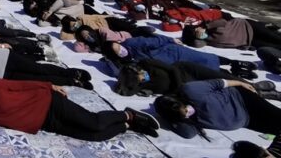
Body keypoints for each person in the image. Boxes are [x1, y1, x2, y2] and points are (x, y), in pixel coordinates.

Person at [0, 78, 160, 140]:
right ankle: (126, 125)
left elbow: (24, 84)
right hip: (47, 124)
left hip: (50, 103)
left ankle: (129, 114)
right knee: (94, 136)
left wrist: (50, 86)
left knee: (93, 123)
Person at [154, 79, 281, 139]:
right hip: (247, 121)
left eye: (185, 109)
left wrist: (241, 83)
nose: (188, 113)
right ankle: (264, 92)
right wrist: (174, 120)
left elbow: (220, 83)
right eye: (185, 115)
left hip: (243, 101)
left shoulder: (191, 90)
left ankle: (259, 90)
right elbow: (188, 134)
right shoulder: (184, 120)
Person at [102, 36, 257, 79]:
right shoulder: (124, 61)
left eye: (119, 47)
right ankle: (236, 73)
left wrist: (170, 40)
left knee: (205, 58)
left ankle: (236, 62)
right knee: (203, 70)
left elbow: (155, 41)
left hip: (172, 52)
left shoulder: (132, 43)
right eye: (117, 51)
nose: (121, 51)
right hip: (173, 64)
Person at [113, 58, 278, 98]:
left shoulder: (146, 63)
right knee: (222, 91)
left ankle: (253, 85)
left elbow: (172, 70)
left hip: (187, 71)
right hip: (188, 86)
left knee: (221, 77)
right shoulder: (141, 86)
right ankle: (262, 94)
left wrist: (178, 86)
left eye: (140, 76)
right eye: (140, 81)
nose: (143, 78)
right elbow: (128, 91)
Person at [182, 18, 281, 50]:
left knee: (275, 38)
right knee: (273, 47)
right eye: (195, 33)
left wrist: (206, 27)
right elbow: (197, 44)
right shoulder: (207, 40)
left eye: (196, 29)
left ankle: (270, 27)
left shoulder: (209, 25)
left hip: (248, 26)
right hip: (249, 41)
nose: (198, 32)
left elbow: (223, 22)